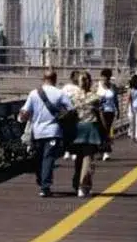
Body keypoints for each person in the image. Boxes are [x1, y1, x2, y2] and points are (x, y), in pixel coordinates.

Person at [19, 69, 74, 197]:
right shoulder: (60, 93)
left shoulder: (34, 93)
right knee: (48, 158)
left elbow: (25, 111)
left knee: (38, 158)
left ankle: (42, 181)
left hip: (37, 131)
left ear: (43, 79)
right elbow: (71, 109)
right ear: (55, 79)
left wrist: (22, 118)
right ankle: (45, 186)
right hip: (53, 131)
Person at [70, 72, 103, 197]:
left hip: (77, 129)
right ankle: (83, 186)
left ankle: (77, 183)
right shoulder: (95, 98)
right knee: (88, 158)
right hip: (91, 129)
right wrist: (105, 132)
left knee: (79, 158)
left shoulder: (73, 97)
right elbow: (100, 116)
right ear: (89, 82)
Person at [95, 68, 118, 160]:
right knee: (100, 132)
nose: (105, 80)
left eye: (107, 78)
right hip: (99, 111)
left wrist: (118, 109)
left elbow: (115, 99)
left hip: (110, 111)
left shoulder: (113, 86)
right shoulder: (97, 86)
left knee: (106, 131)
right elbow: (93, 97)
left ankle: (106, 152)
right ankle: (101, 151)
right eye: (104, 77)